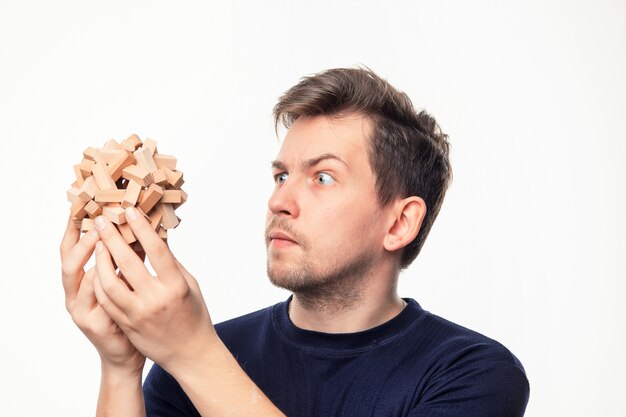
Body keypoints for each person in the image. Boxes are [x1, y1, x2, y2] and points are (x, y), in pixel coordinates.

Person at [61, 67, 530, 416]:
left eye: (322, 177)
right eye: (281, 175)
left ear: (399, 222)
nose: (280, 199)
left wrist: (193, 354)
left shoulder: (473, 374)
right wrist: (120, 367)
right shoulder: (202, 355)